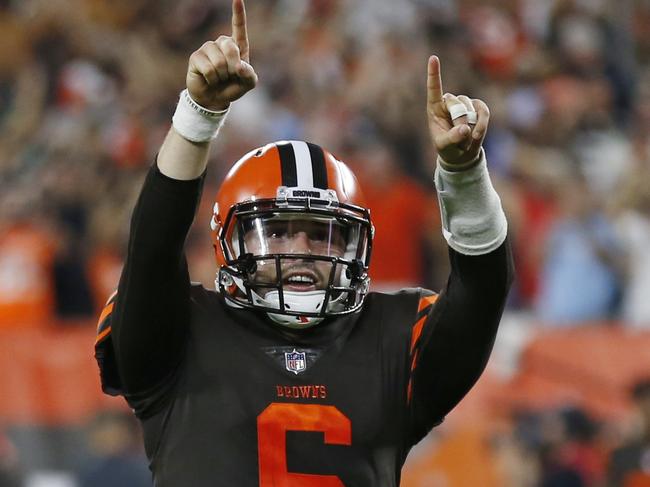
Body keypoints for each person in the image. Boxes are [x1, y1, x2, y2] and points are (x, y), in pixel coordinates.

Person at [94, 1, 513, 485]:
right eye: (276, 230)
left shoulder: (394, 340)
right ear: (227, 239)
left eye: (321, 234)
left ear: (355, 245)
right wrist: (197, 117)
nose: (300, 248)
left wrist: (463, 176)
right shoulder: (182, 333)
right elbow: (152, 247)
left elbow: (482, 292)